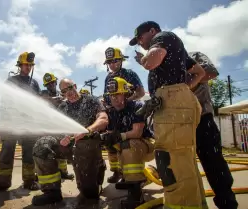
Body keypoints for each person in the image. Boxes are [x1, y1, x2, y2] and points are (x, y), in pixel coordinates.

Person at [129, 20, 207, 208]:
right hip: (178, 100)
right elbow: (200, 72)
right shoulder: (177, 49)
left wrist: (143, 60)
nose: (140, 42)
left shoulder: (163, 37)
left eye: (140, 37)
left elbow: (151, 61)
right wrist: (183, 89)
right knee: (184, 161)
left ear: (152, 31)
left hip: (172, 102)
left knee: (171, 161)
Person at [31, 78, 108, 206]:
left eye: (70, 88)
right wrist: (62, 137)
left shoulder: (91, 100)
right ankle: (52, 191)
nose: (68, 92)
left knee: (89, 194)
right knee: (42, 145)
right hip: (70, 147)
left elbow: (103, 119)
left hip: (88, 146)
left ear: (75, 86)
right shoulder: (63, 107)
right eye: (64, 91)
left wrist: (87, 130)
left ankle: (99, 165)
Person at [188, 51, 238, 209]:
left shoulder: (192, 56)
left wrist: (183, 82)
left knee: (214, 165)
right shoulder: (159, 65)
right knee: (182, 169)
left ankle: (227, 204)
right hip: (179, 124)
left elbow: (210, 72)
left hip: (202, 119)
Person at [103, 77, 155, 208]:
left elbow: (137, 132)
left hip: (147, 144)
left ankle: (136, 193)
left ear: (125, 94)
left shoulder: (136, 106)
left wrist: (118, 136)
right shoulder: (111, 112)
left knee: (128, 144)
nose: (114, 98)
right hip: (129, 145)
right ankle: (127, 177)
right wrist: (105, 138)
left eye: (117, 94)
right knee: (112, 145)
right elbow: (111, 136)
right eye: (111, 95)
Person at [0, 52, 41, 192]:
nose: (28, 67)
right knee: (7, 150)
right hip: (12, 122)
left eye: (30, 65)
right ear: (20, 65)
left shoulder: (34, 83)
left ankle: (29, 180)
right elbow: (4, 102)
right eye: (26, 64)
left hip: (29, 123)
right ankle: (3, 181)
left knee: (29, 153)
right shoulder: (11, 81)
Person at [102, 47, 146, 184]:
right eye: (109, 62)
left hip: (128, 112)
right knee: (111, 141)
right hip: (114, 113)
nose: (112, 64)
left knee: (128, 143)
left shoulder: (130, 74)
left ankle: (133, 178)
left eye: (115, 61)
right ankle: (117, 172)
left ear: (121, 60)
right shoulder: (108, 78)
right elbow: (107, 97)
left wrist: (126, 102)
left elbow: (141, 93)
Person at [40, 72, 75, 180]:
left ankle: (63, 172)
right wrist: (53, 100)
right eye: (48, 84)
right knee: (47, 150)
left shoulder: (62, 93)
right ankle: (45, 173)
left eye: (52, 83)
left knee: (61, 148)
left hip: (60, 126)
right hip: (48, 127)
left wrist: (63, 99)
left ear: (55, 82)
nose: (50, 86)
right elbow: (40, 99)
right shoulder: (43, 93)